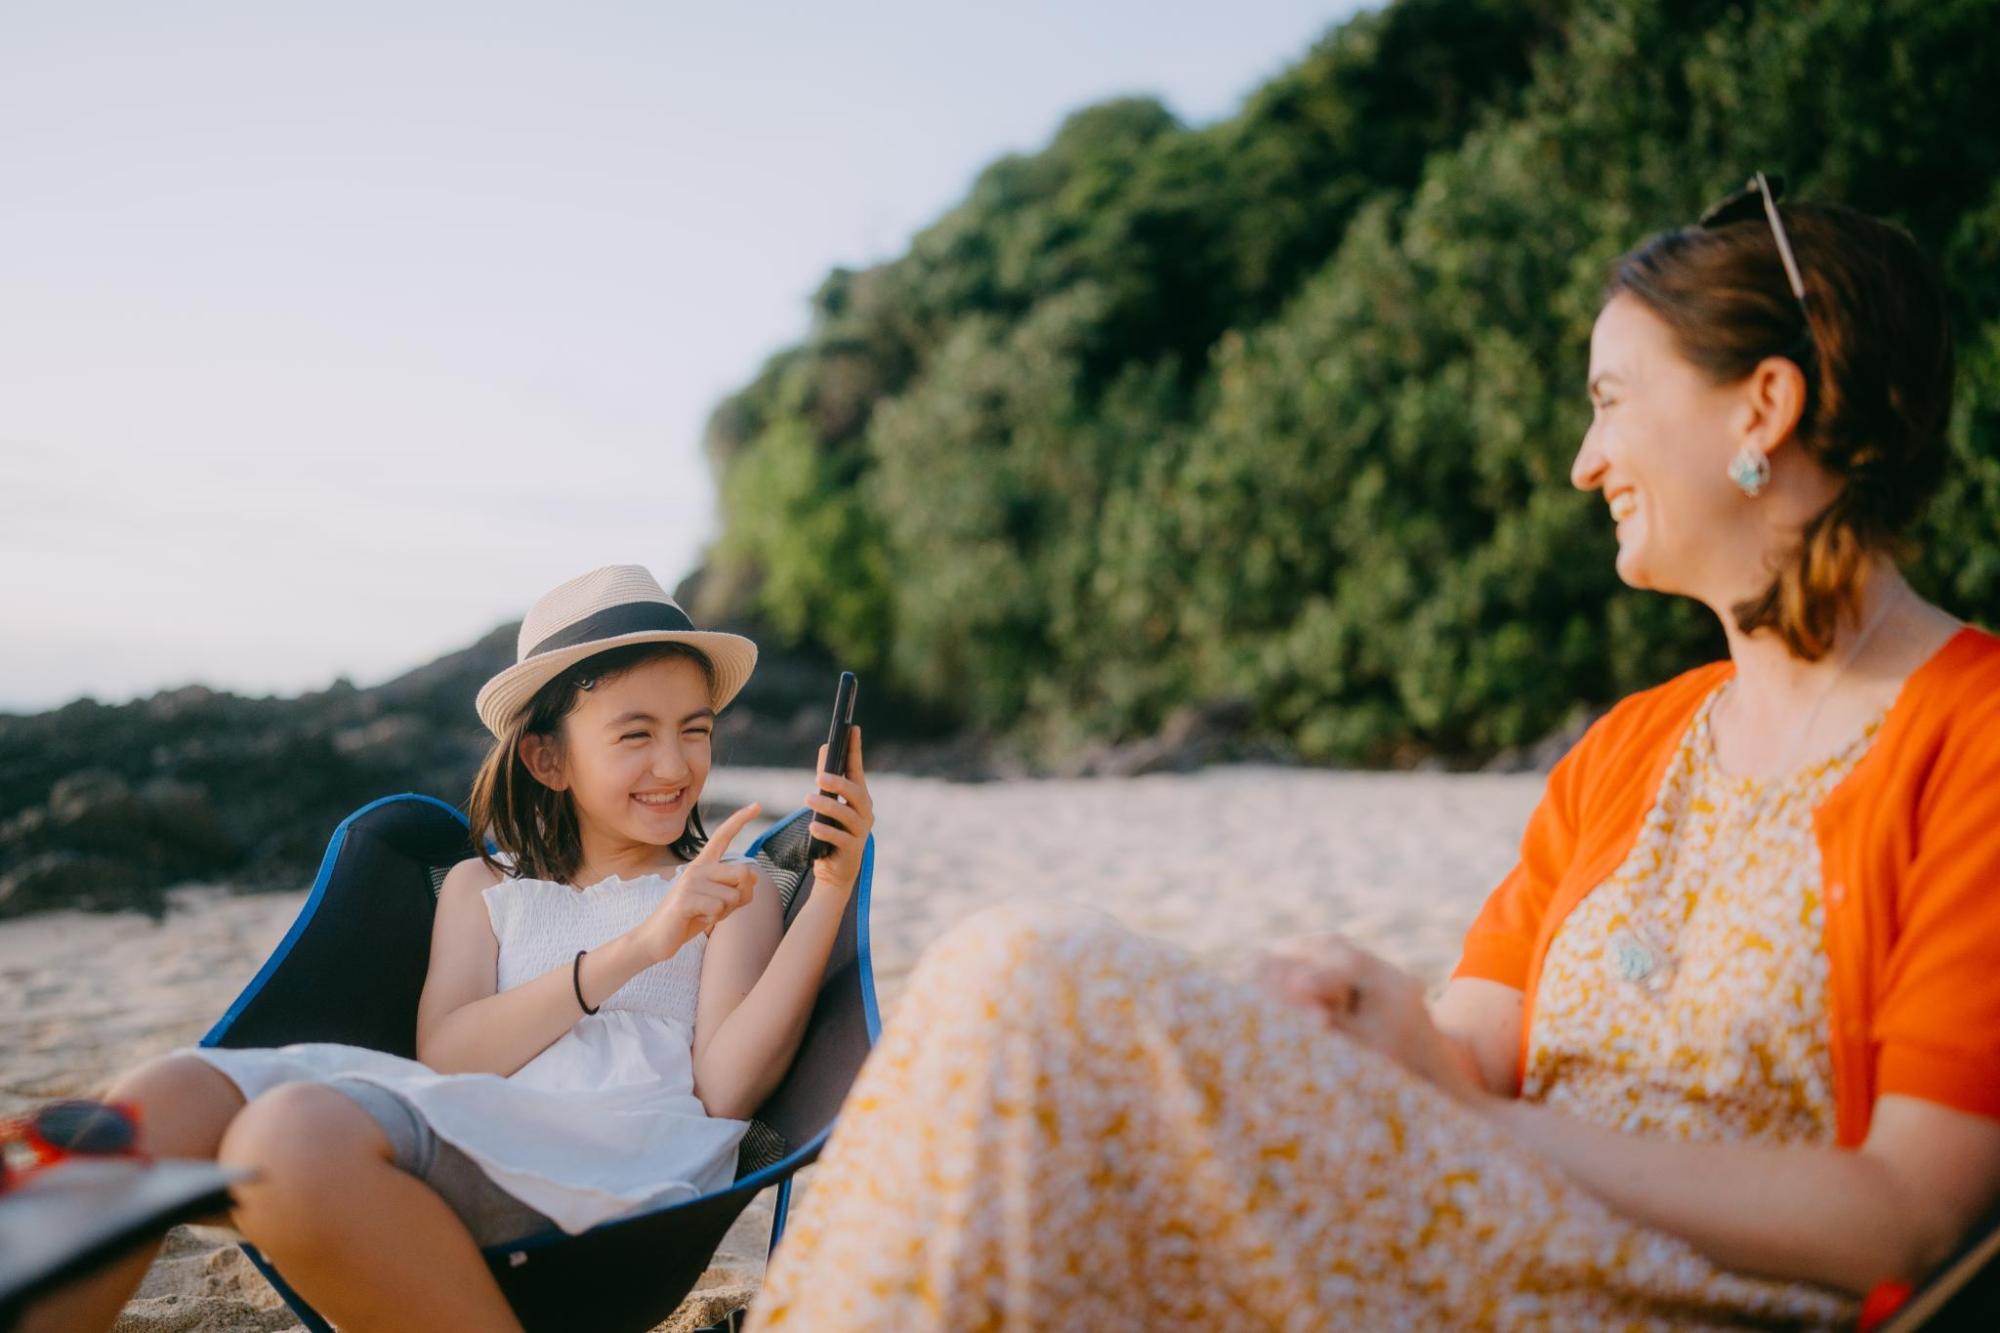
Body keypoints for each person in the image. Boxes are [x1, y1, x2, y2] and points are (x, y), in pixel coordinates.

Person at [742, 182, 2000, 1330]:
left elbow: (1900, 1215)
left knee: (1023, 973)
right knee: (995, 1027)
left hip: (1684, 1295)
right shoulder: (1635, 745)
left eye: (1611, 400)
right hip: (1486, 1218)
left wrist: (1479, 1123)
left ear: (1762, 406)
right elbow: (1459, 1051)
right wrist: (1366, 1010)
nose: (1583, 461)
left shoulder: (1972, 737)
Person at [23, 564, 876, 1333]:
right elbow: (450, 1050)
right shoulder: (480, 888)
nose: (675, 761)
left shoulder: (731, 888)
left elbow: (725, 1090)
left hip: (614, 1162)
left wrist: (828, 887)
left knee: (286, 1135)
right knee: (157, 1095)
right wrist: (639, 946)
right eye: (634, 733)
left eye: (695, 729)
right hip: (461, 1119)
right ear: (547, 758)